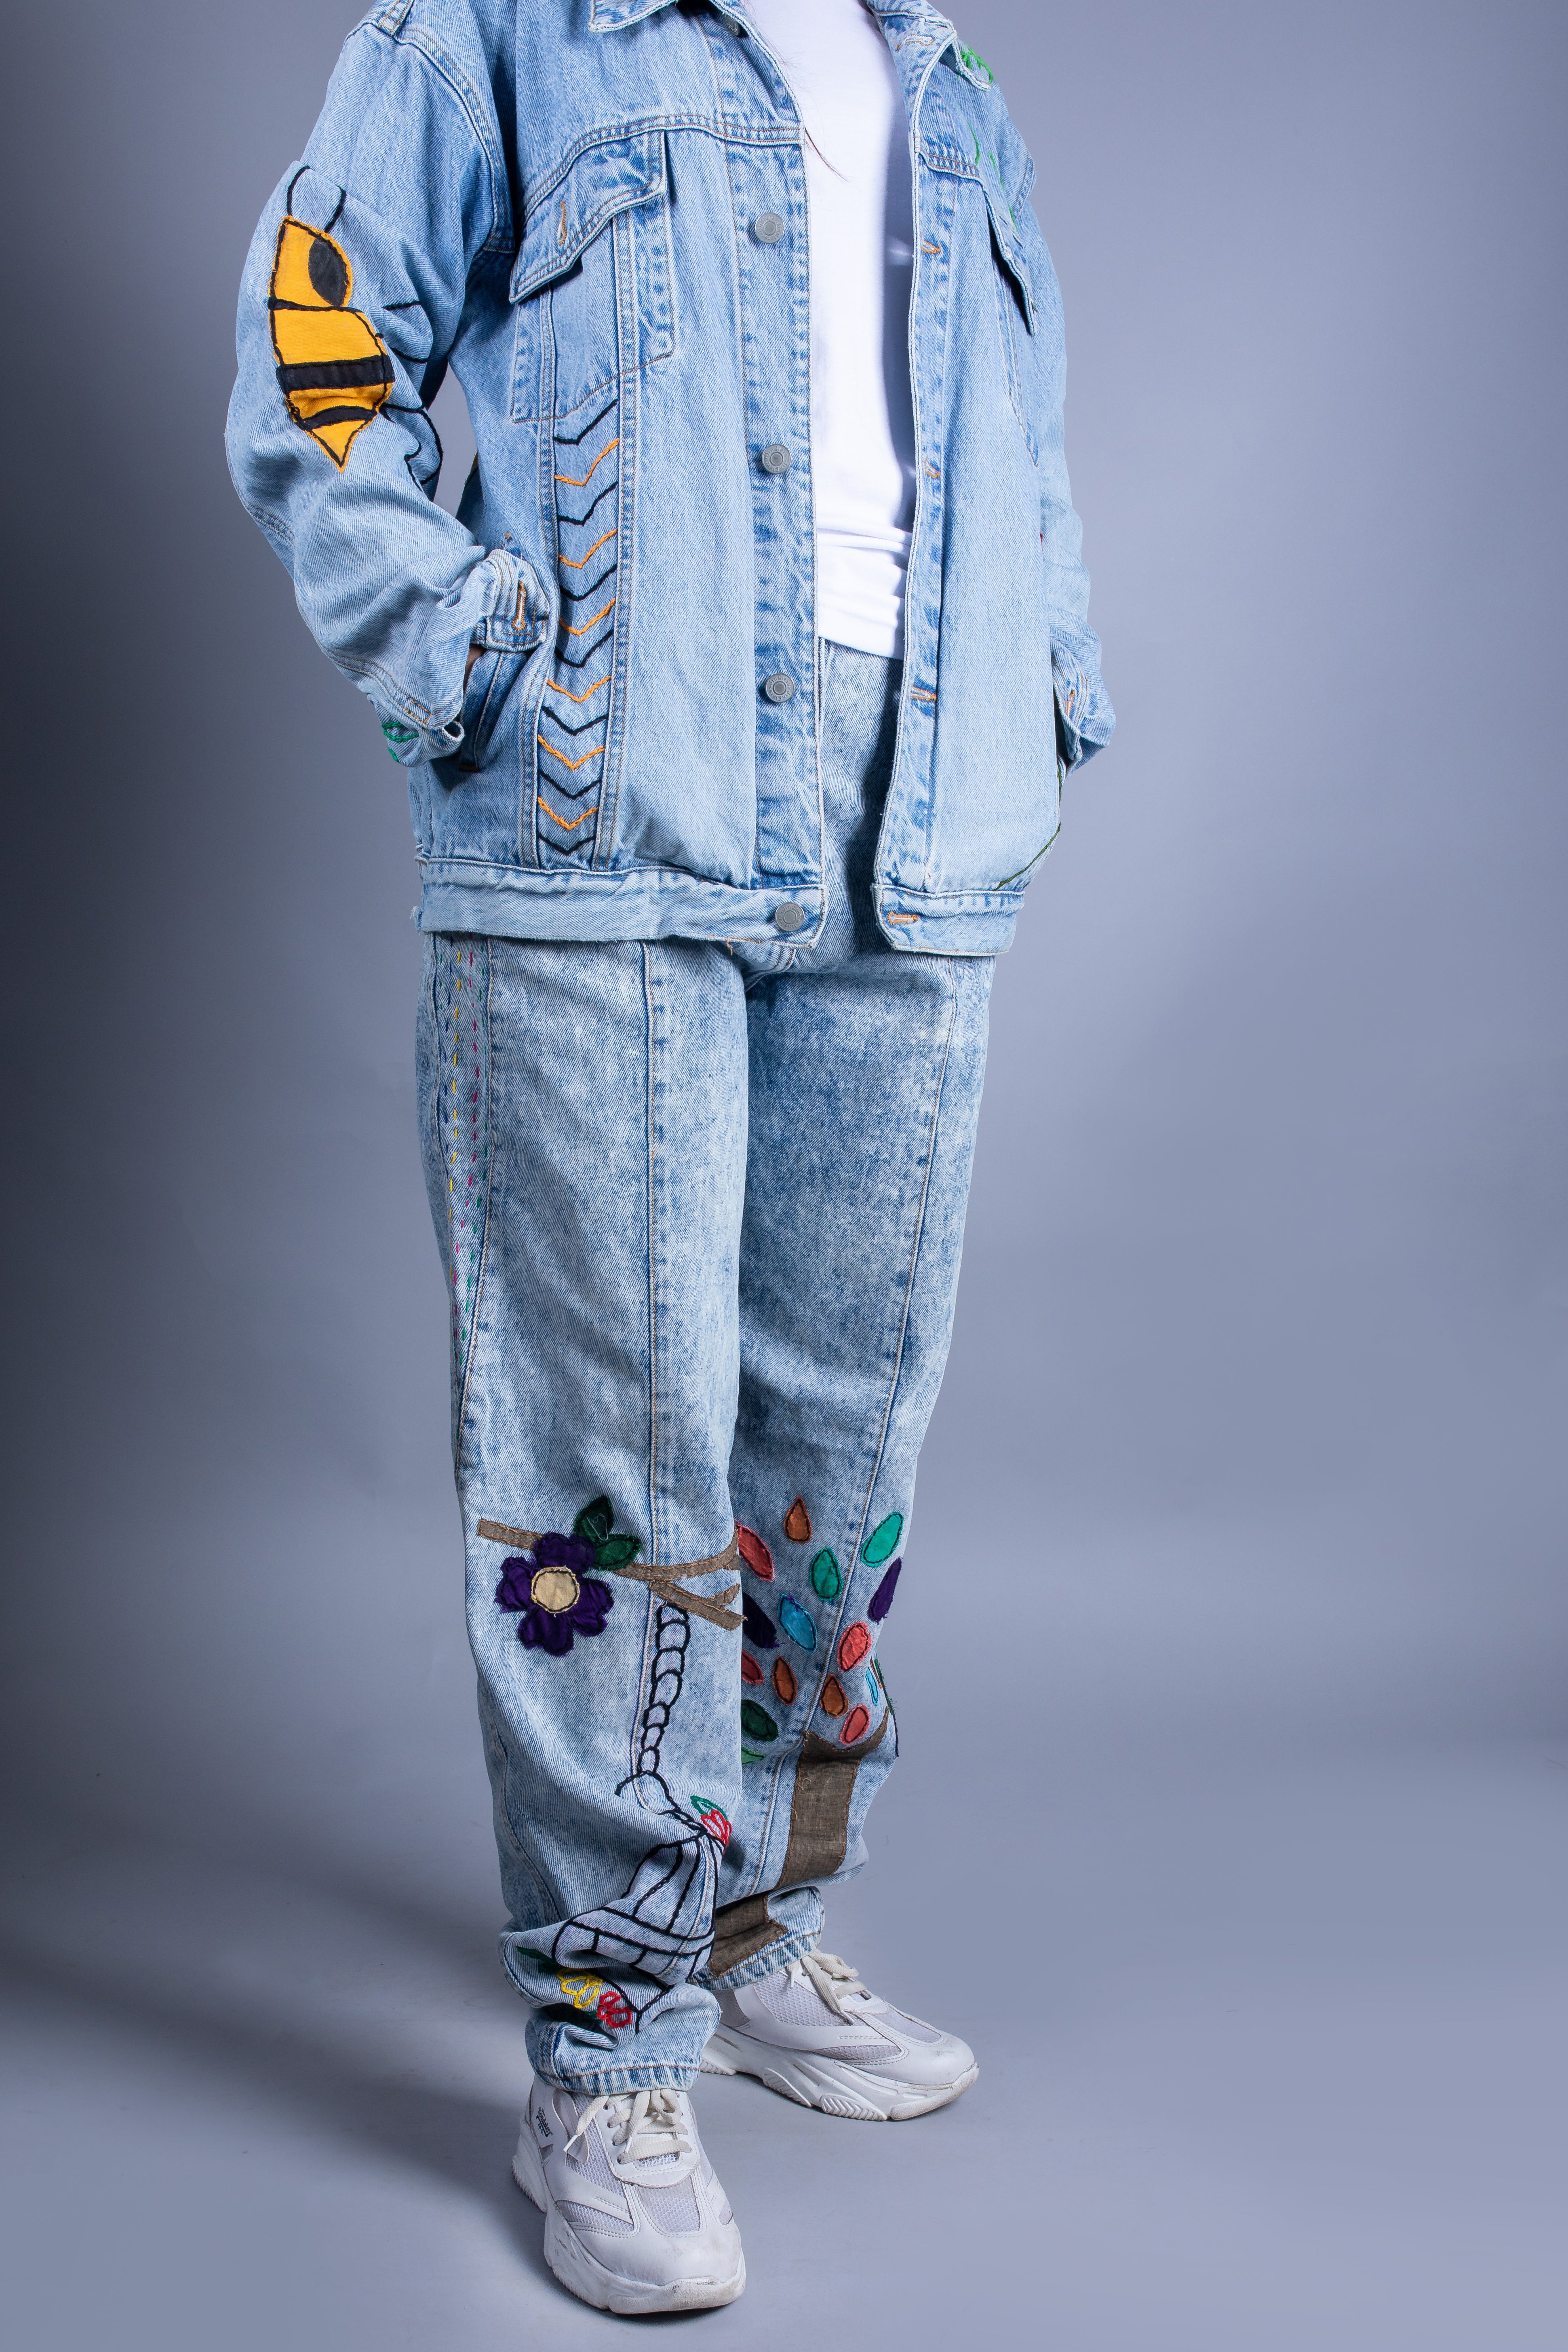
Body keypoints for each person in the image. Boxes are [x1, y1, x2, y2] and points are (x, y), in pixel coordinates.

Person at [228, 0, 1111, 2316]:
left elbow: (1001, 431)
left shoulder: (941, 70)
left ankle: (751, 1933)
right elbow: (314, 346)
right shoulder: (497, 29)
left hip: (913, 819)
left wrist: (1048, 695)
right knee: (608, 1454)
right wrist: (474, 661)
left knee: (837, 1431)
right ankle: (609, 2045)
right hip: (609, 802)